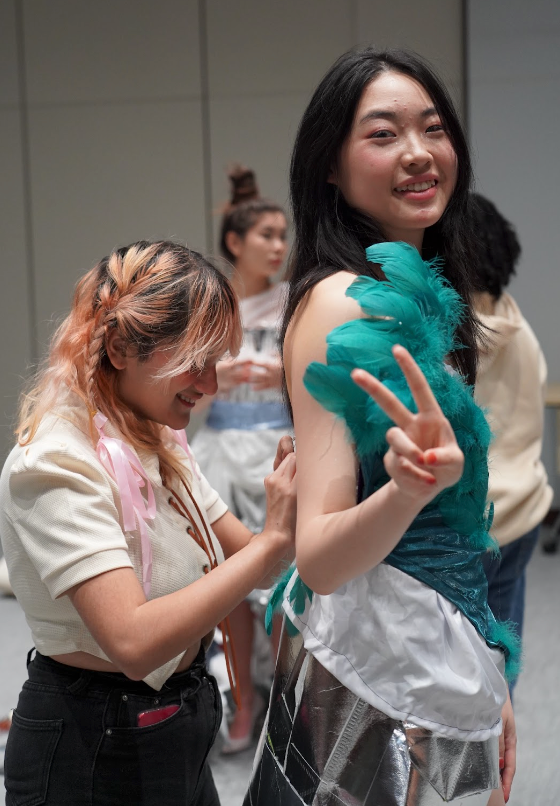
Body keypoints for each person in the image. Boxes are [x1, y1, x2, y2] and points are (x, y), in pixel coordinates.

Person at [244, 48, 517, 806]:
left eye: (433, 128)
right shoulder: (340, 302)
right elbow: (323, 557)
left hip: (433, 656)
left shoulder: (420, 292)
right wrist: (405, 490)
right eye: (383, 134)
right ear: (329, 167)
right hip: (372, 688)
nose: (419, 153)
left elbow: (456, 534)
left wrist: (492, 670)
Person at [0, 240, 296, 806]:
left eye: (218, 362)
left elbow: (254, 564)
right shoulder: (55, 461)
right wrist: (274, 541)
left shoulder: (156, 435)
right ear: (118, 347)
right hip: (92, 745)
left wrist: (305, 497)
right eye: (197, 361)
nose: (211, 385)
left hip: (176, 720)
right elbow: (132, 642)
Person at [191, 166, 290, 753]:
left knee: (282, 589)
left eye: (283, 235)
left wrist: (285, 373)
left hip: (278, 447)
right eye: (266, 236)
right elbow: (181, 378)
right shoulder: (211, 299)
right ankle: (244, 708)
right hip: (222, 450)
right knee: (232, 589)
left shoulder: (296, 302)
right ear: (236, 242)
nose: (279, 246)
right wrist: (221, 374)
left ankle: (283, 708)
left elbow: (321, 377)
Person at [471, 193, 552, 693]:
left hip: (464, 525)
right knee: (501, 661)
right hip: (522, 511)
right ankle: (499, 765)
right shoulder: (517, 327)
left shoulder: (442, 340)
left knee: (450, 686)